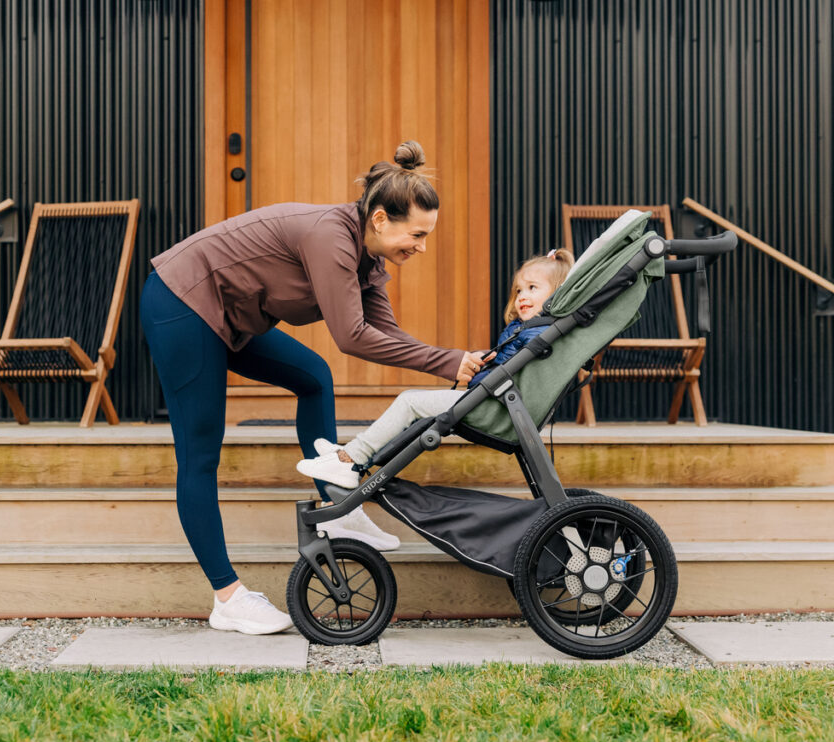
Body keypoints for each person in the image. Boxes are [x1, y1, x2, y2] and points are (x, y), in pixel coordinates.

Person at [140, 140, 490, 635]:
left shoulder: (369, 262)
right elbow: (351, 337)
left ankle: (334, 508)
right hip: (183, 302)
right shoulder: (331, 237)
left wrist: (456, 362)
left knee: (312, 377)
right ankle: (228, 598)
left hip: (230, 317)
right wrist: (448, 362)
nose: (423, 247)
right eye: (417, 234)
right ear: (379, 220)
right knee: (199, 454)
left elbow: (388, 336)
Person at [297, 249, 574, 489]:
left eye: (532, 289)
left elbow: (516, 370)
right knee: (413, 409)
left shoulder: (539, 334)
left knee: (409, 402)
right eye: (518, 290)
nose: (521, 297)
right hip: (496, 402)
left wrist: (493, 363)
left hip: (495, 407)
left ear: (557, 296)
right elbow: (514, 364)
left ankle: (351, 458)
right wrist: (490, 358)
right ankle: (352, 455)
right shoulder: (530, 330)